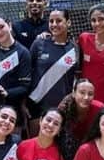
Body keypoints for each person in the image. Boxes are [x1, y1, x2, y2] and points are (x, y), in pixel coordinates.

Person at [27, 8, 77, 136]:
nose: (54, 24)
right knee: (37, 145)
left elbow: (77, 78)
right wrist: (23, 103)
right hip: (37, 105)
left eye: (59, 21)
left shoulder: (75, 48)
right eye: (51, 21)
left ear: (69, 23)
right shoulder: (39, 44)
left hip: (62, 107)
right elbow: (27, 74)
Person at [0, 15, 32, 110]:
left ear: (10, 25)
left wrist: (6, 92)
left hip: (8, 106)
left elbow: (25, 87)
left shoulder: (23, 53)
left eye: (1, 27)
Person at [55, 77, 104, 160]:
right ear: (74, 93)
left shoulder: (99, 109)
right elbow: (56, 136)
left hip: (90, 148)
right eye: (82, 93)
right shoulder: (63, 109)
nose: (86, 97)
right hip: (67, 150)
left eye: (90, 94)